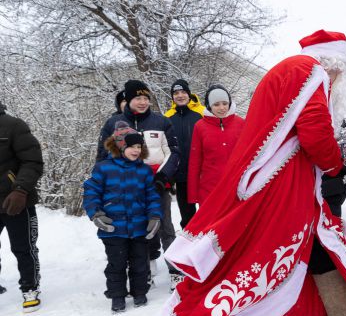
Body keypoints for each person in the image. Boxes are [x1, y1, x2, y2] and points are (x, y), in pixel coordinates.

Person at [138, 30, 346, 316]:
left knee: (316, 251)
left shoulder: (288, 70)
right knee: (261, 271)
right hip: (284, 187)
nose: (339, 80)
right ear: (335, 62)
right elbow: (314, 130)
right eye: (341, 72)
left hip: (278, 183)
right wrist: (335, 162)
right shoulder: (311, 72)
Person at [96, 80, 181, 291]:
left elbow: (174, 152)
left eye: (145, 98)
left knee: (165, 228)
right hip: (127, 188)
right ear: (128, 100)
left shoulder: (161, 122)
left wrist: (163, 178)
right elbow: (103, 157)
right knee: (137, 230)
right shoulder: (112, 124)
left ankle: (175, 271)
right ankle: (143, 273)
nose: (142, 102)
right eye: (137, 98)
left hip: (157, 184)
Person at [83, 121, 162, 312]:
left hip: (138, 226)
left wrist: (154, 216)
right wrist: (96, 214)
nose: (135, 150)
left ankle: (139, 292)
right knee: (116, 264)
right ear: (120, 146)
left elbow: (151, 195)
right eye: (131, 146)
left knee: (139, 263)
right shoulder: (104, 168)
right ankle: (117, 296)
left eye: (138, 146)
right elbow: (91, 192)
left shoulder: (143, 170)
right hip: (113, 228)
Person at [0, 101, 44, 312]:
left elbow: (33, 161)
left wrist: (20, 190)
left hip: (15, 200)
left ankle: (30, 287)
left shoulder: (13, 125)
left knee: (23, 247)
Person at [186, 84, 245, 208]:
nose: (222, 108)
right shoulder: (200, 126)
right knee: (211, 227)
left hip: (237, 187)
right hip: (209, 189)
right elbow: (195, 161)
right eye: (216, 104)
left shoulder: (241, 123)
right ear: (209, 106)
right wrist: (193, 193)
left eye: (225, 103)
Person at [164, 79, 205, 229]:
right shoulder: (167, 117)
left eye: (183, 92)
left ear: (189, 94)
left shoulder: (202, 112)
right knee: (187, 218)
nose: (180, 95)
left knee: (207, 214)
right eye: (176, 93)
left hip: (202, 174)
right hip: (181, 176)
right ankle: (189, 246)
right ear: (172, 97)